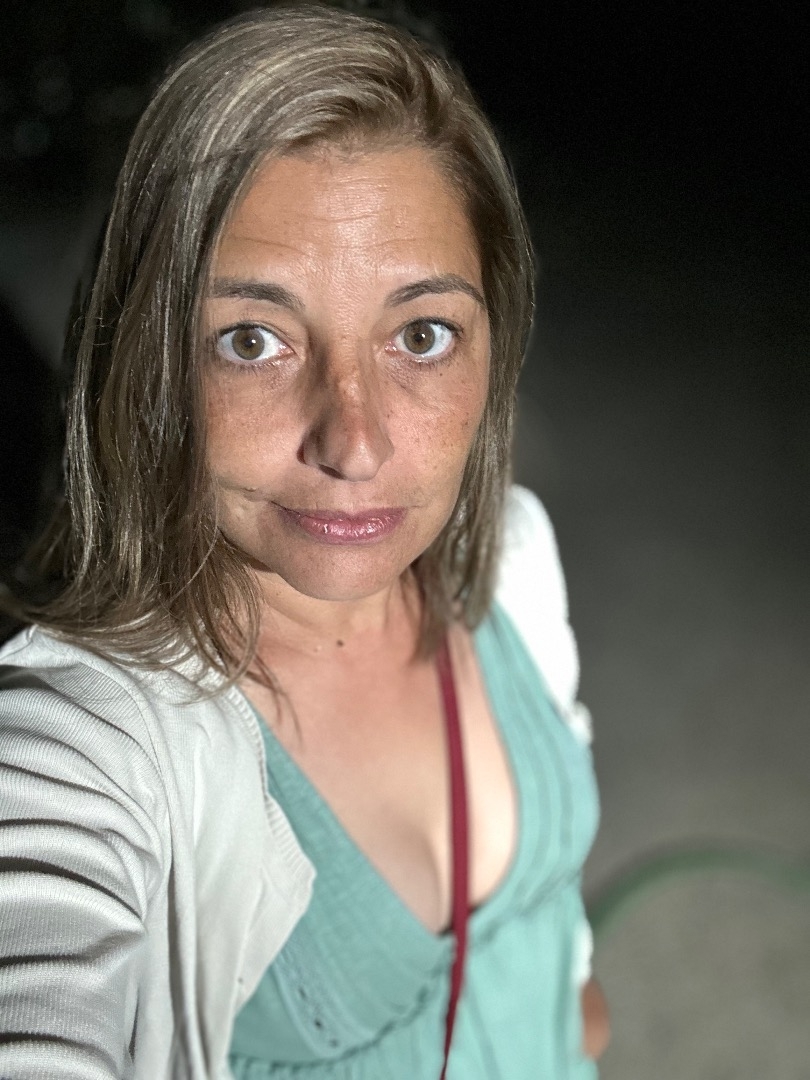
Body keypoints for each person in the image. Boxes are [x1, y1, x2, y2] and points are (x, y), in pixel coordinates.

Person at [0, 5, 609, 1077]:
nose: (355, 442)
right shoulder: (90, 749)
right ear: (147, 365)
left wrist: (569, 1006)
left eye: (422, 335)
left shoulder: (513, 561)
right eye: (253, 341)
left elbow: (550, 906)